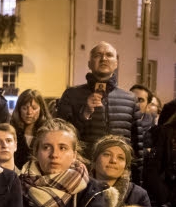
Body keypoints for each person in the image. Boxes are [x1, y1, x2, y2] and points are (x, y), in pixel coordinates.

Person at [56, 42, 147, 181]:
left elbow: (137, 144)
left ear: (116, 63)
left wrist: (138, 180)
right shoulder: (71, 95)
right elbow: (60, 135)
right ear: (89, 63)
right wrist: (84, 113)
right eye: (98, 55)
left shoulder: (130, 99)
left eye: (109, 55)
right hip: (83, 173)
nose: (104, 59)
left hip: (119, 174)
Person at [90, 135, 151, 207]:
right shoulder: (77, 189)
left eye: (120, 158)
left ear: (125, 166)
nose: (113, 161)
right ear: (94, 160)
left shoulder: (137, 195)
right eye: (107, 154)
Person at [10, 89, 51, 168]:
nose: (29, 112)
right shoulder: (12, 132)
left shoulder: (48, 133)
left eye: (34, 108)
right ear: (19, 109)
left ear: (41, 109)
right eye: (25, 108)